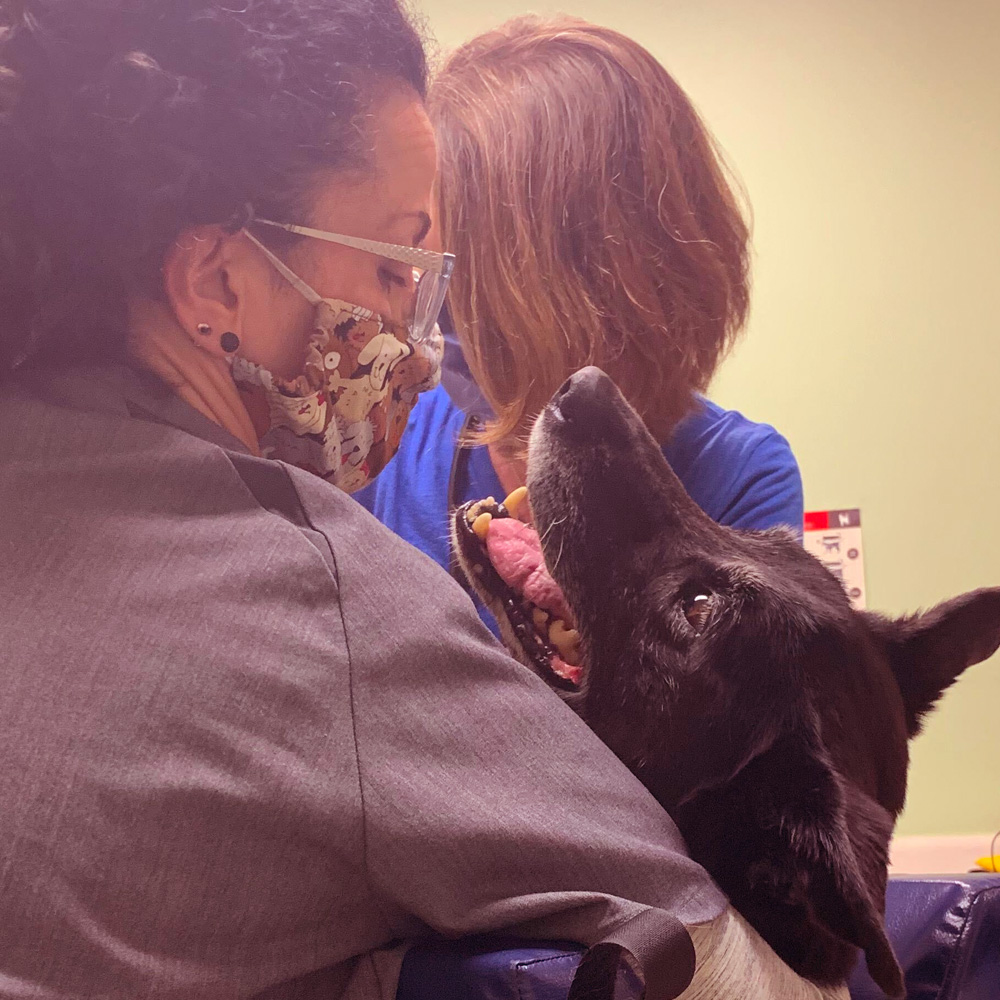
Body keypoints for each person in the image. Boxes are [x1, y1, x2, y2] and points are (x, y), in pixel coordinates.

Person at [0, 3, 846, 998]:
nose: (419, 332)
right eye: (396, 264)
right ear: (216, 281)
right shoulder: (326, 599)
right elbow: (753, 981)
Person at [357, 16, 804, 625]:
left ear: (566, 287)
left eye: (452, 277)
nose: (420, 306)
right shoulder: (393, 437)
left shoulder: (738, 478)